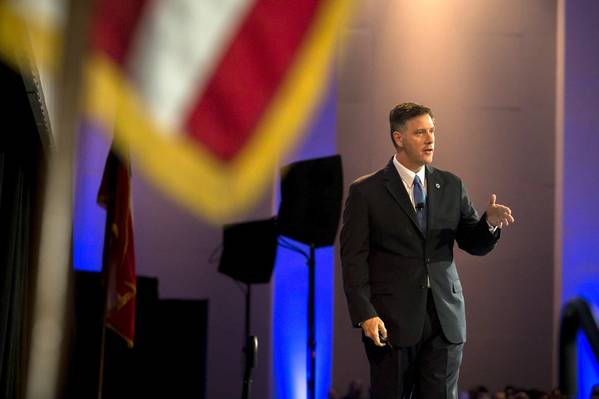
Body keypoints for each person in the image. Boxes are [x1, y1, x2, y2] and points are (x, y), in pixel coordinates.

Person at [340, 102, 515, 398]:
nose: (430, 139)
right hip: (391, 324)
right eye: (420, 132)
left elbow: (473, 242)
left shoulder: (450, 185)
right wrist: (365, 314)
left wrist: (489, 224)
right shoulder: (366, 192)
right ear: (398, 138)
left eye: (432, 131)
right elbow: (353, 260)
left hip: (444, 321)